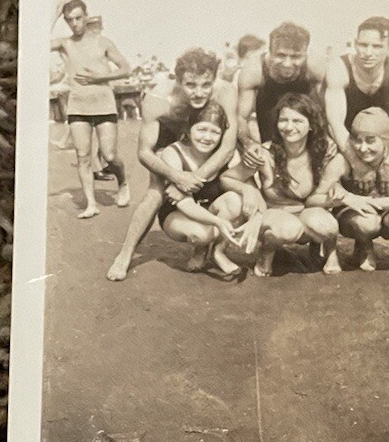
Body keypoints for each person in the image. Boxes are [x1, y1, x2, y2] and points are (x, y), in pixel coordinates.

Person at [107, 49, 243, 282]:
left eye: (205, 84)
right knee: (155, 193)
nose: (199, 92)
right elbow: (144, 153)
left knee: (231, 189)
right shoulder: (159, 100)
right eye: (191, 85)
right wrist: (176, 176)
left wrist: (191, 180)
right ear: (178, 80)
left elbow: (228, 147)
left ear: (214, 79)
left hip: (209, 139)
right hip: (173, 138)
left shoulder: (225, 92)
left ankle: (208, 250)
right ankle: (125, 254)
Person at [154, 102, 256, 280]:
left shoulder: (226, 155)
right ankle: (200, 249)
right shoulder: (173, 153)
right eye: (201, 129)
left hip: (212, 210)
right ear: (189, 129)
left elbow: (243, 186)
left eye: (215, 132)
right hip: (179, 212)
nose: (207, 137)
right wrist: (217, 222)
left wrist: (251, 201)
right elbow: (184, 203)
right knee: (201, 235)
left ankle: (218, 252)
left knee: (234, 200)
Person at [52, 0, 131, 219]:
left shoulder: (102, 42)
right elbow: (35, 44)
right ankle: (91, 203)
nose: (74, 24)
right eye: (69, 20)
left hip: (103, 104)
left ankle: (123, 182)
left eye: (78, 18)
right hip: (78, 106)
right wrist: (54, 14)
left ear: (86, 17)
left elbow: (126, 69)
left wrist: (101, 77)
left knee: (109, 154)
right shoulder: (65, 43)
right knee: (83, 155)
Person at [252, 92, 342, 277]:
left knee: (328, 225)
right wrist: (248, 190)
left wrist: (336, 189)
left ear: (311, 125)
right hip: (276, 217)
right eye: (283, 120)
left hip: (308, 213)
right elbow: (229, 178)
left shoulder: (322, 150)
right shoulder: (265, 153)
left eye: (297, 121)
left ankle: (331, 252)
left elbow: (334, 181)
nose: (289, 127)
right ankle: (267, 252)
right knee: (288, 228)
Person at [323, 107, 389, 273]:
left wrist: (364, 200)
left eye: (370, 140)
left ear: (386, 140)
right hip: (356, 215)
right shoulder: (344, 158)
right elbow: (322, 191)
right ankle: (364, 246)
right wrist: (338, 189)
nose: (362, 148)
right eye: (357, 140)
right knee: (367, 223)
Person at [324, 16, 389, 189]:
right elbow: (334, 122)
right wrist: (357, 165)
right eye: (363, 45)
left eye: (377, 46)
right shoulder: (339, 68)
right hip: (348, 142)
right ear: (355, 43)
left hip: (381, 143)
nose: (368, 52)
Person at [236, 22, 322, 170]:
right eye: (281, 55)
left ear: (305, 53)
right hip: (270, 118)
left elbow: (327, 112)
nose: (287, 64)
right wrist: (248, 144)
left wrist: (327, 140)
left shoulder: (315, 66)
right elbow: (241, 117)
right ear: (269, 51)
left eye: (296, 57)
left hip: (306, 121)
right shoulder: (254, 69)